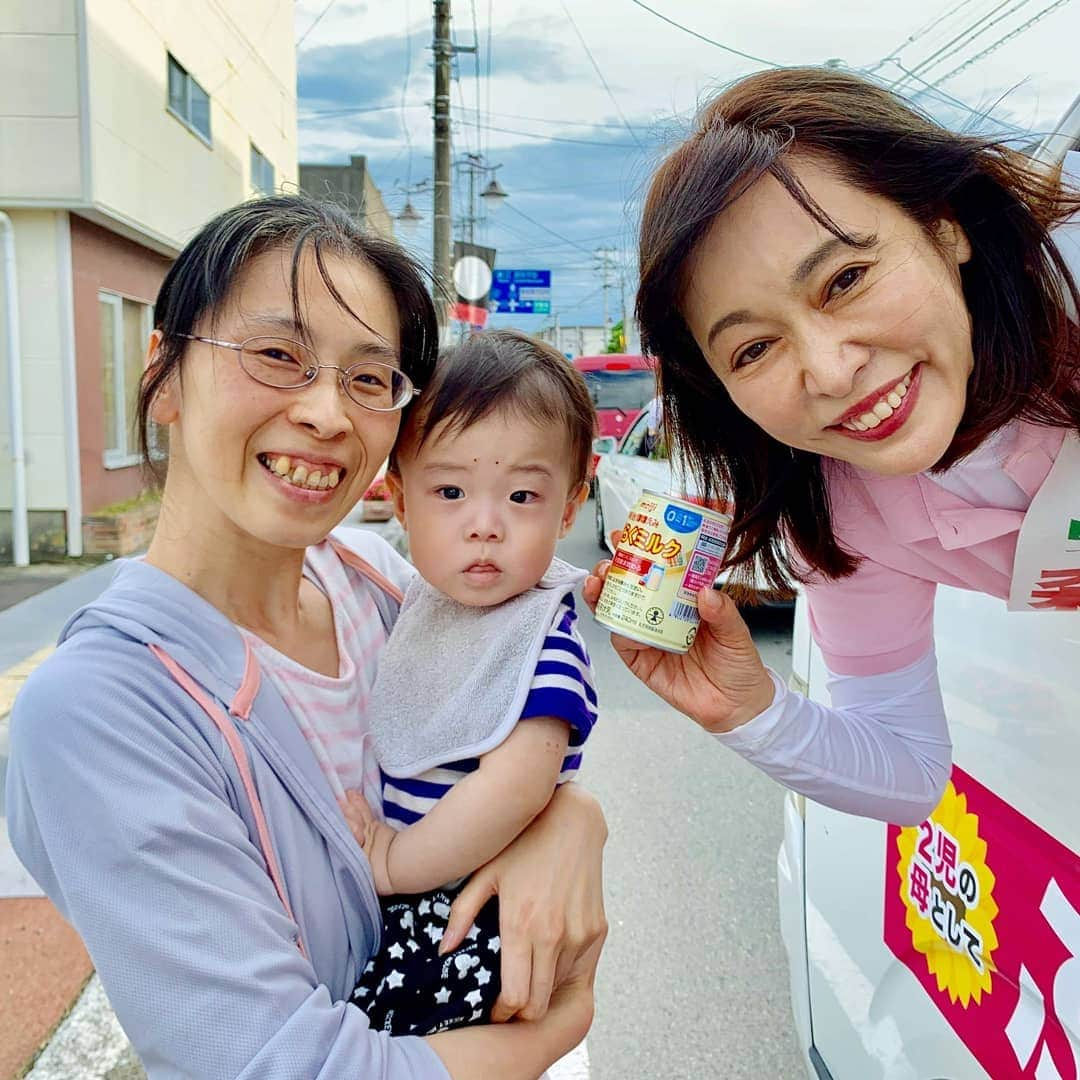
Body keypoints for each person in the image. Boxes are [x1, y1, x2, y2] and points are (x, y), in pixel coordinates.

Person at [6, 196, 606, 1079]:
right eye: (279, 356)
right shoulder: (101, 711)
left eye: (368, 379)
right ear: (164, 374)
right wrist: (560, 1030)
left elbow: (502, 733)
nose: (328, 414)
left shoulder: (378, 585)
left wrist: (570, 820)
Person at [584, 67, 1080, 826]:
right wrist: (750, 711)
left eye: (845, 278)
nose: (831, 370)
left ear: (943, 225)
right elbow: (910, 771)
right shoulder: (845, 516)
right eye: (753, 350)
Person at [341, 330, 599, 1036]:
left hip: (470, 917)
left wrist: (395, 863)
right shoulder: (415, 605)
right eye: (450, 491)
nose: (484, 526)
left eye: (521, 495)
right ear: (400, 498)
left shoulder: (542, 638)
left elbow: (517, 785)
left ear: (569, 508)